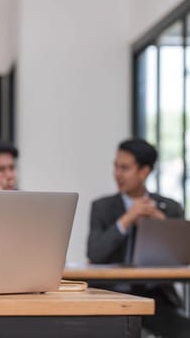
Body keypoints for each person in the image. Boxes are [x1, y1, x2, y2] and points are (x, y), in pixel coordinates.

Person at [87, 138, 189, 338]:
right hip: (112, 294)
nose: (117, 174)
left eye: (125, 168)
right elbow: (95, 252)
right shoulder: (102, 207)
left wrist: (160, 224)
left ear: (144, 171)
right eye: (116, 166)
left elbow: (183, 257)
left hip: (157, 297)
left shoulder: (170, 207)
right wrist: (126, 220)